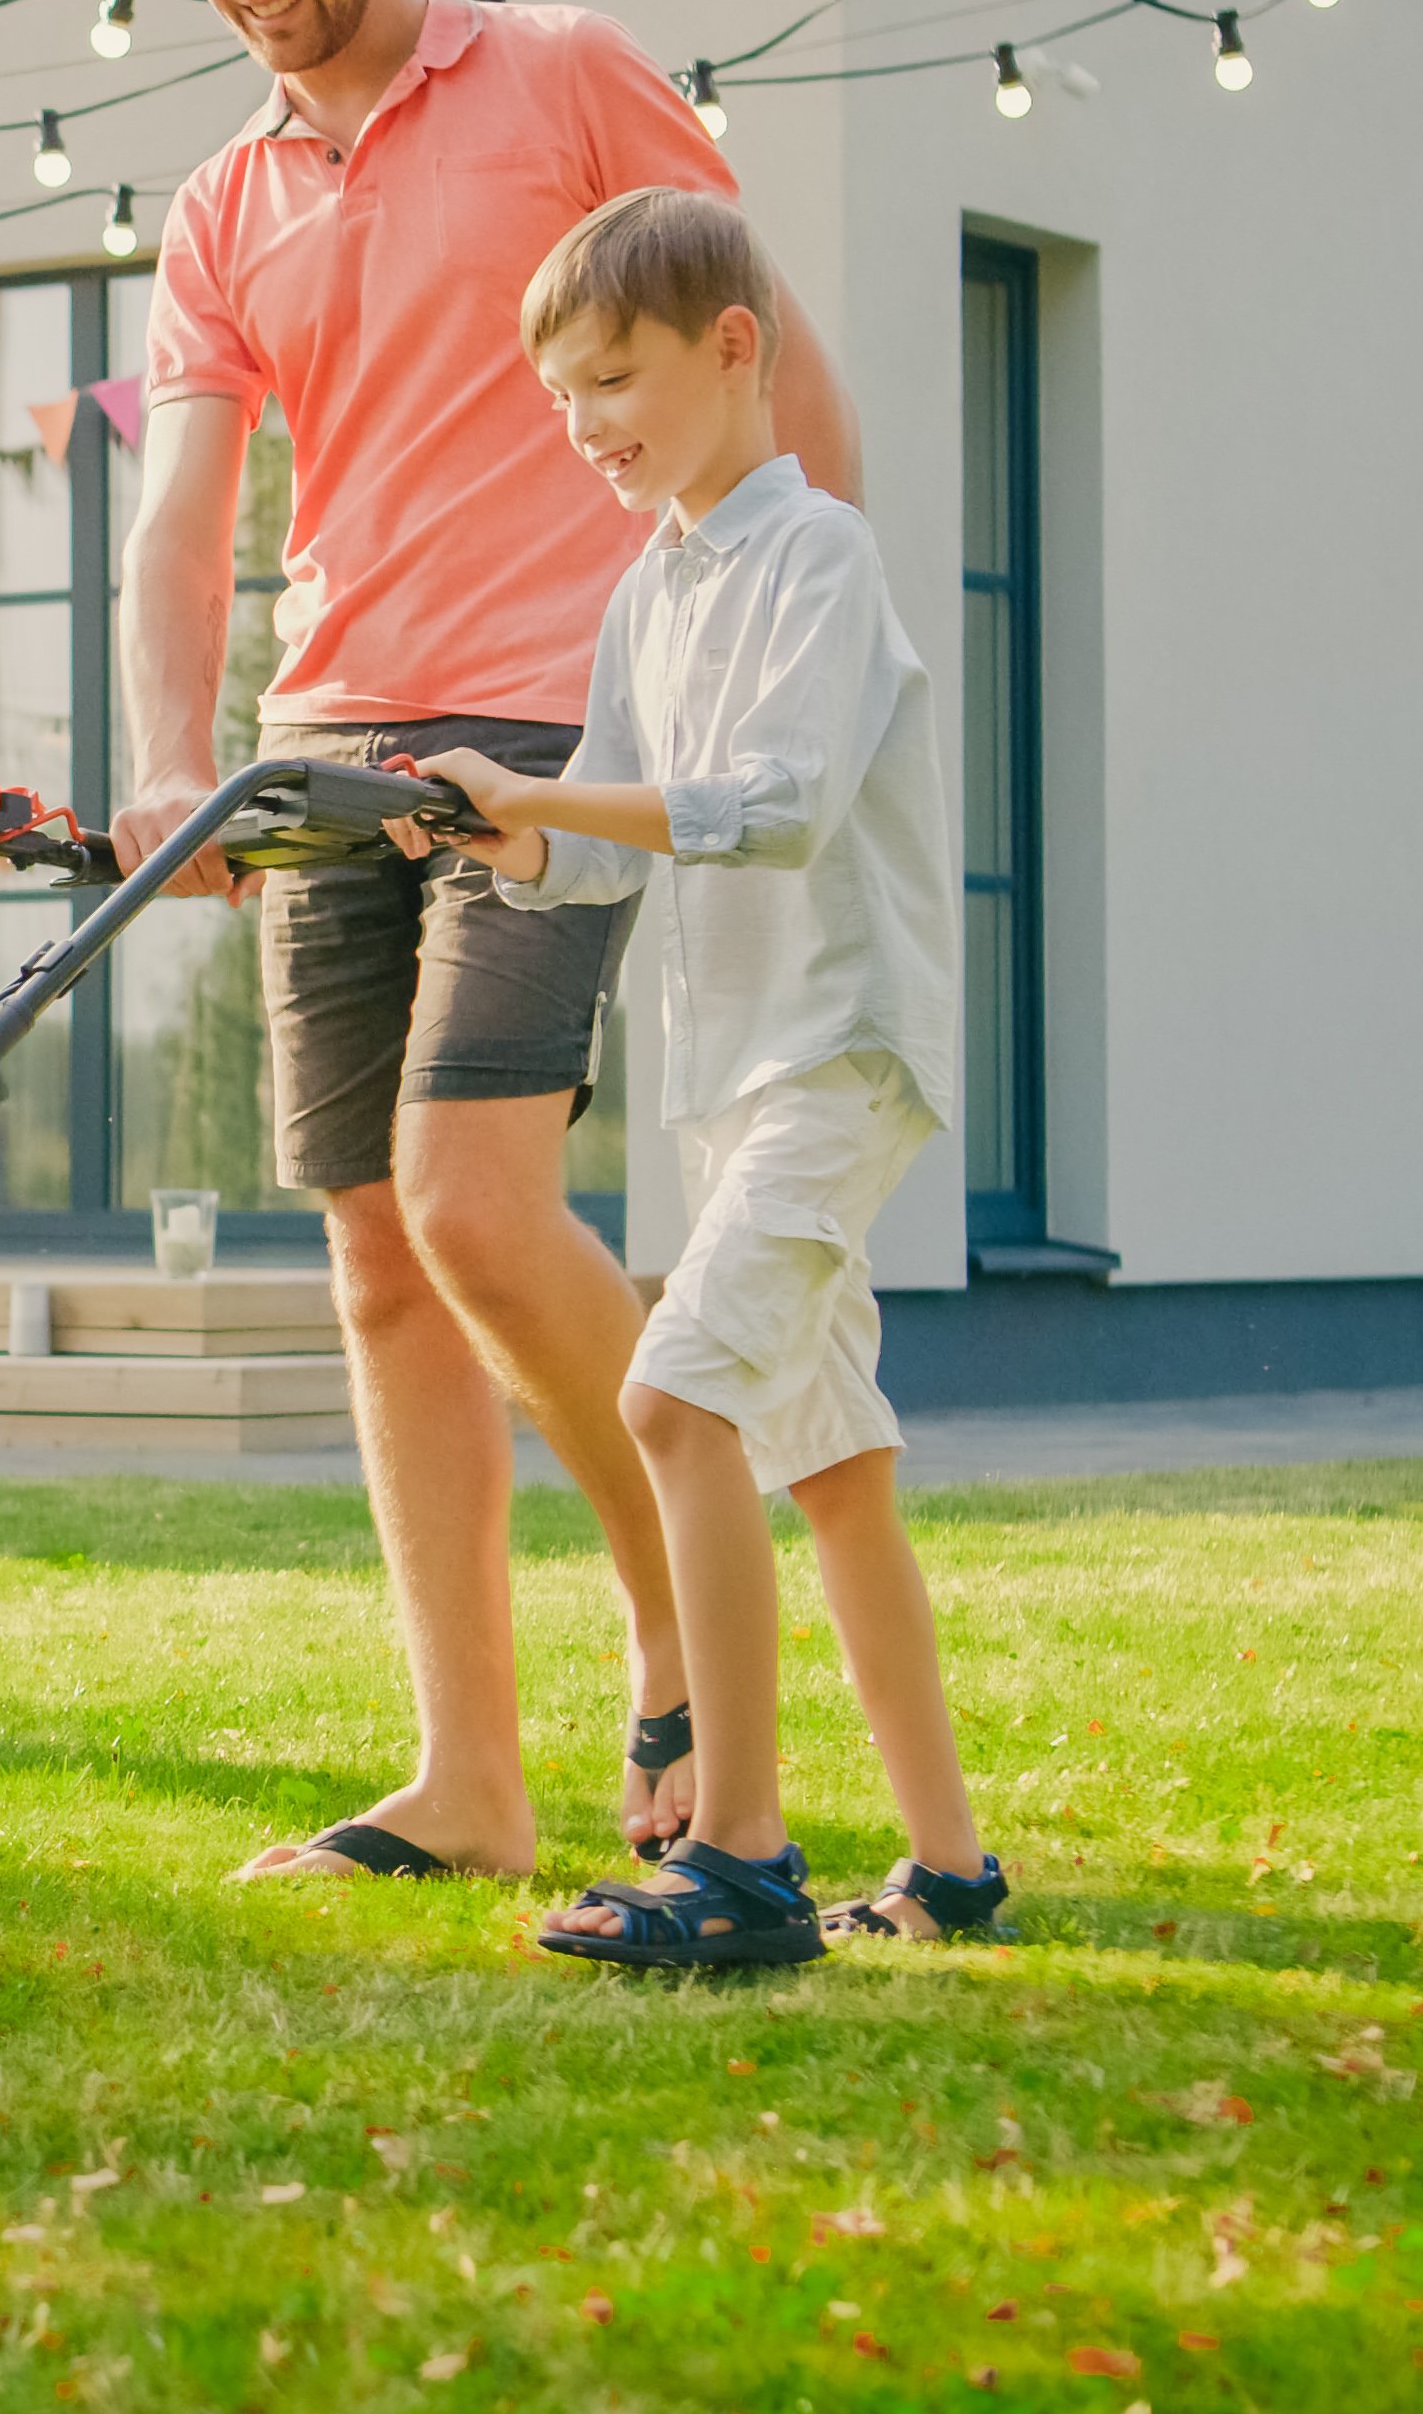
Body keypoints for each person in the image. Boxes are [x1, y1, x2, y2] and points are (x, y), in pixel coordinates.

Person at [110, 0, 864, 1884]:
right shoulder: (219, 204)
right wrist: (178, 757)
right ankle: (468, 1778)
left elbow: (769, 359)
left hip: (554, 723)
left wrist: (811, 657)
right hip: (322, 742)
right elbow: (183, 520)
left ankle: (672, 1617)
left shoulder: (564, 78)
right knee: (376, 1261)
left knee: (470, 1200)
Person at [392, 187, 1000, 1965]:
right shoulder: (649, 586)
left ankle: (739, 1855)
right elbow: (596, 854)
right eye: (562, 397)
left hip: (840, 1051)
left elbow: (773, 805)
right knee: (837, 1473)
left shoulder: (823, 561)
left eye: (613, 378)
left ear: (735, 352)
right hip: (738, 1084)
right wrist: (483, 836)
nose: (585, 426)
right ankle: (951, 1873)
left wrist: (549, 804)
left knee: (672, 1405)